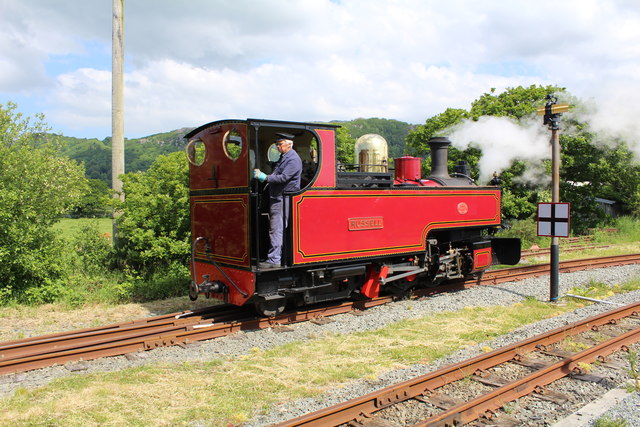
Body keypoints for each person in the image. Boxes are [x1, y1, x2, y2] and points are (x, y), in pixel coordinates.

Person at [253, 133, 302, 268]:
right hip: (278, 197)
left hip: (283, 197)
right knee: (275, 228)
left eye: (279, 144)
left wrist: (265, 177)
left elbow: (284, 177)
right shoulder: (284, 158)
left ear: (289, 144)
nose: (277, 147)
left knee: (276, 228)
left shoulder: (293, 159)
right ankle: (275, 257)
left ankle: (274, 259)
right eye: (277, 145)